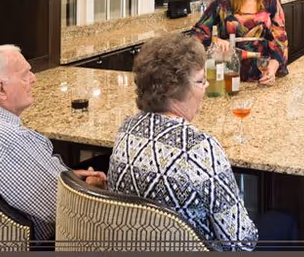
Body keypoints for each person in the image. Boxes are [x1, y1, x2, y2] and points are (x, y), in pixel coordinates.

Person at [107, 33, 260, 251]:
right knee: (282, 222)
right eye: (200, 81)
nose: (206, 87)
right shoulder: (198, 149)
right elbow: (240, 243)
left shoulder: (126, 130)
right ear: (170, 88)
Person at [0, 45, 108, 241]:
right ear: (1, 89)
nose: (33, 78)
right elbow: (66, 211)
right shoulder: (13, 142)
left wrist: (69, 176)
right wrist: (91, 188)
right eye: (25, 74)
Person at [192, 0, 288, 86]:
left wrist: (272, 69)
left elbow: (280, 41)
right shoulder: (220, 3)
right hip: (229, 76)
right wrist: (215, 40)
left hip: (263, 76)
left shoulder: (271, 2)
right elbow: (196, 34)